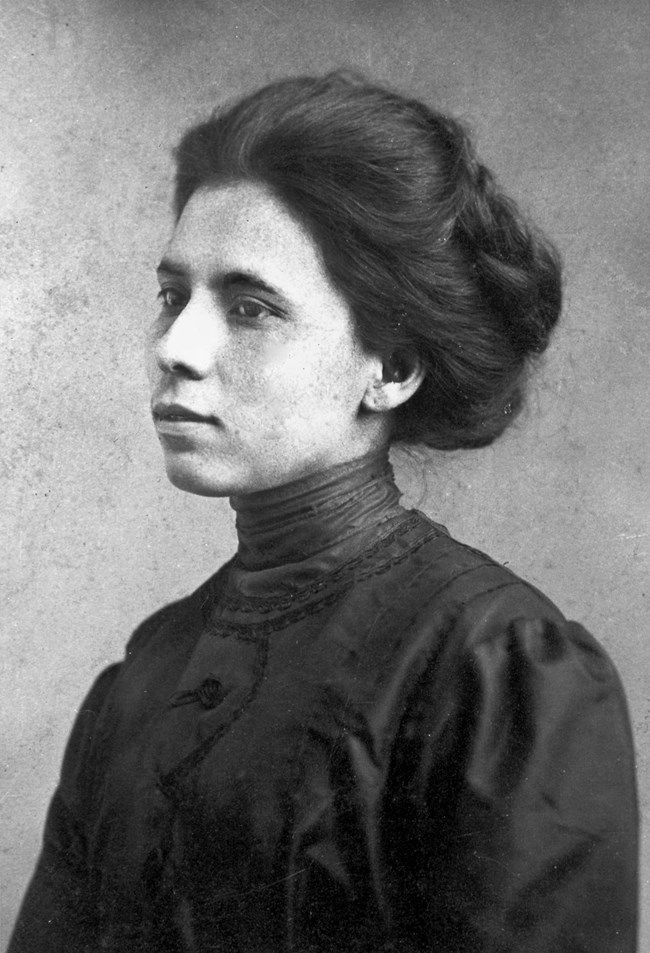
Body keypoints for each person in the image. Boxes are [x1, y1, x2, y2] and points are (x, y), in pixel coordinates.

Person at [9, 72, 638, 953]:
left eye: (251, 307)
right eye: (172, 295)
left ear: (392, 367)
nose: (176, 348)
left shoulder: (497, 675)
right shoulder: (148, 674)